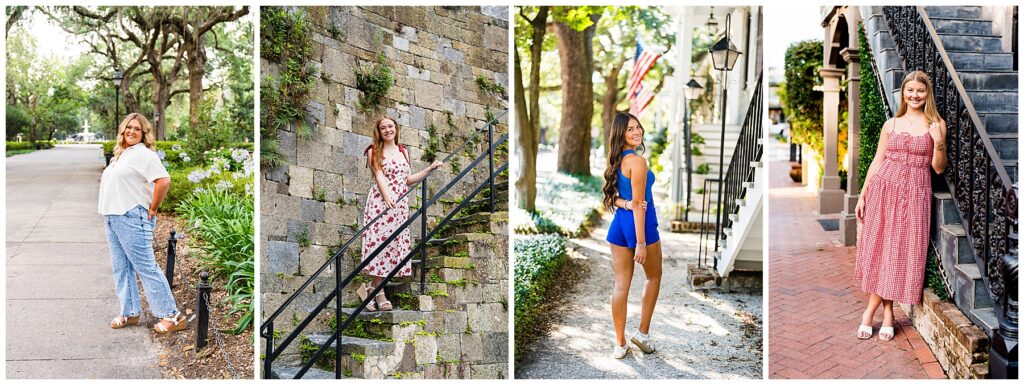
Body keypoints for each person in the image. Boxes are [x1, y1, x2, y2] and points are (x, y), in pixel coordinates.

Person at [855, 70, 947, 341]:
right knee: (883, 251)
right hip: (883, 188)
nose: (914, 95)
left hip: (916, 193)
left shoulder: (936, 123)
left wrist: (938, 140)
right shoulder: (891, 124)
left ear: (927, 94)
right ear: (903, 93)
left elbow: (939, 168)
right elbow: (877, 161)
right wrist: (862, 195)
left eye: (920, 91)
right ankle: (888, 315)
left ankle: (868, 314)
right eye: (910, 90)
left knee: (901, 253)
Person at [99, 113, 185, 333]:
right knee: (121, 267)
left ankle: (172, 315)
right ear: (122, 130)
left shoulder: (144, 155)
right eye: (128, 127)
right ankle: (129, 312)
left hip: (131, 216)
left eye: (137, 129)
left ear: (144, 133)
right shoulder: (121, 155)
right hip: (112, 216)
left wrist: (153, 208)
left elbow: (163, 180)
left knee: (145, 266)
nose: (131, 131)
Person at [358, 116, 442, 311]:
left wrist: (429, 169)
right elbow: (379, 174)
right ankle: (378, 293)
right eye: (383, 128)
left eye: (390, 126)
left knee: (392, 246)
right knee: (380, 244)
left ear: (396, 128)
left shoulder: (403, 151)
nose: (387, 130)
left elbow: (408, 180)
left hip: (400, 204)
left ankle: (371, 289)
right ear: (378, 131)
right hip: (382, 202)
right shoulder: (374, 151)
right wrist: (387, 198)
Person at [601, 111, 663, 358]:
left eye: (638, 127)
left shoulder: (615, 161)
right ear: (621, 134)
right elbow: (639, 205)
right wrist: (641, 242)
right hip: (642, 225)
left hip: (619, 225)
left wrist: (625, 204)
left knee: (620, 286)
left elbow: (612, 198)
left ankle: (619, 344)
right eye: (630, 129)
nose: (636, 132)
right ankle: (642, 334)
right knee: (654, 277)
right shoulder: (637, 162)